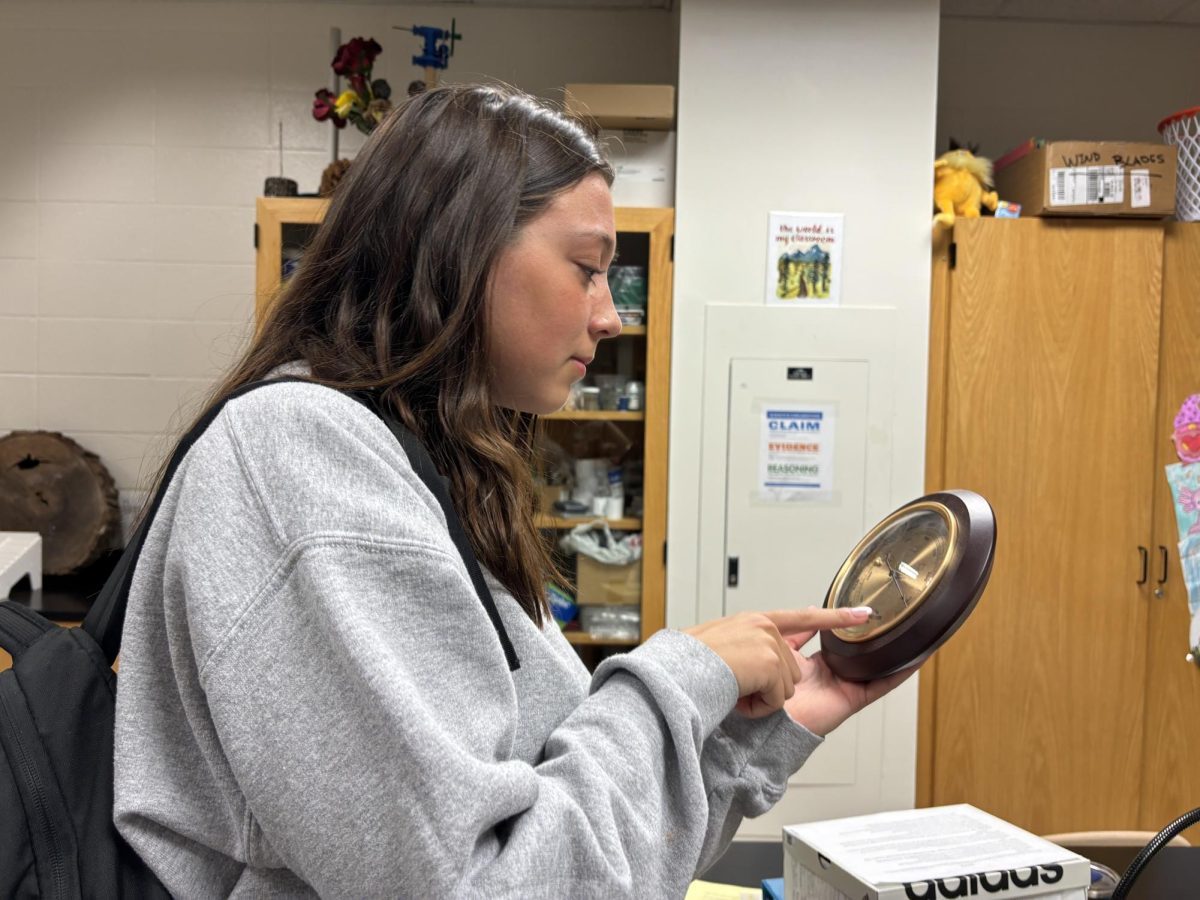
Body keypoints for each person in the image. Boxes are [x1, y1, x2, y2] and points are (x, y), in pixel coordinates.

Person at [113, 84, 911, 898]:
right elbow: (476, 886)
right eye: (587, 270)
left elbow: (579, 854)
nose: (610, 317)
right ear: (459, 246)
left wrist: (757, 736)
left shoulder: (421, 465)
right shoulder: (299, 457)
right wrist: (678, 674)